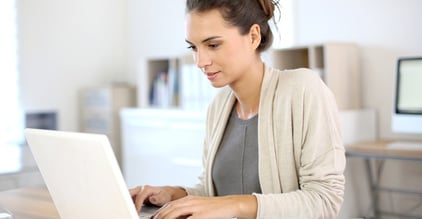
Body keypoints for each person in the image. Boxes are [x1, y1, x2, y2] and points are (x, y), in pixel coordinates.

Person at [130, 0, 346, 218]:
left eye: (213, 45)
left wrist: (236, 205)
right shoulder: (218, 107)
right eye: (193, 47)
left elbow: (324, 200)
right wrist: (174, 194)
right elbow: (215, 194)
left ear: (253, 37)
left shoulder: (302, 89)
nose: (200, 61)